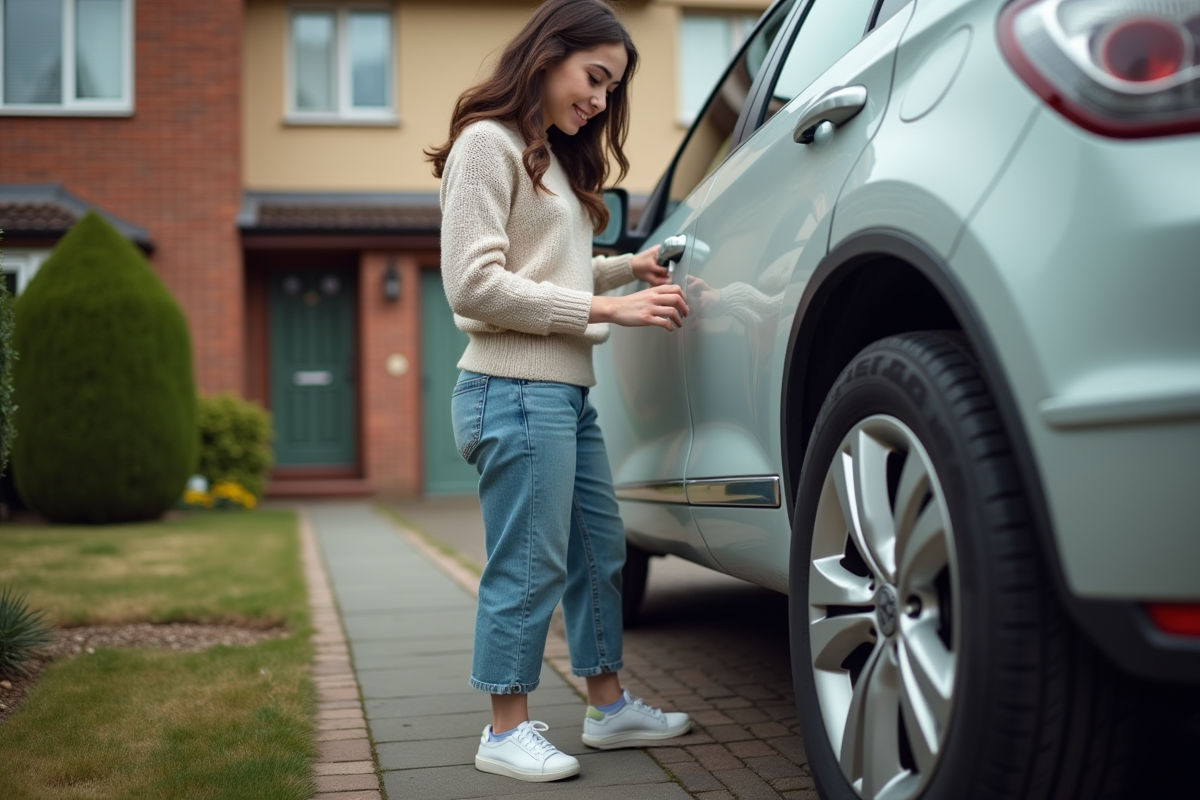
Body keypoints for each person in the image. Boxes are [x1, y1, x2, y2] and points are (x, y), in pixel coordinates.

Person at [425, 0, 693, 784]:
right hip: (510, 391)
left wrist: (620, 268)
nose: (601, 101)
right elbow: (474, 287)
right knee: (531, 564)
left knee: (598, 551)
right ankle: (505, 729)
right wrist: (608, 306)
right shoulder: (487, 145)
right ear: (548, 55)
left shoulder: (550, 156)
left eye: (611, 89)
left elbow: (545, 267)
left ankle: (608, 708)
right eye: (595, 78)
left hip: (561, 397)